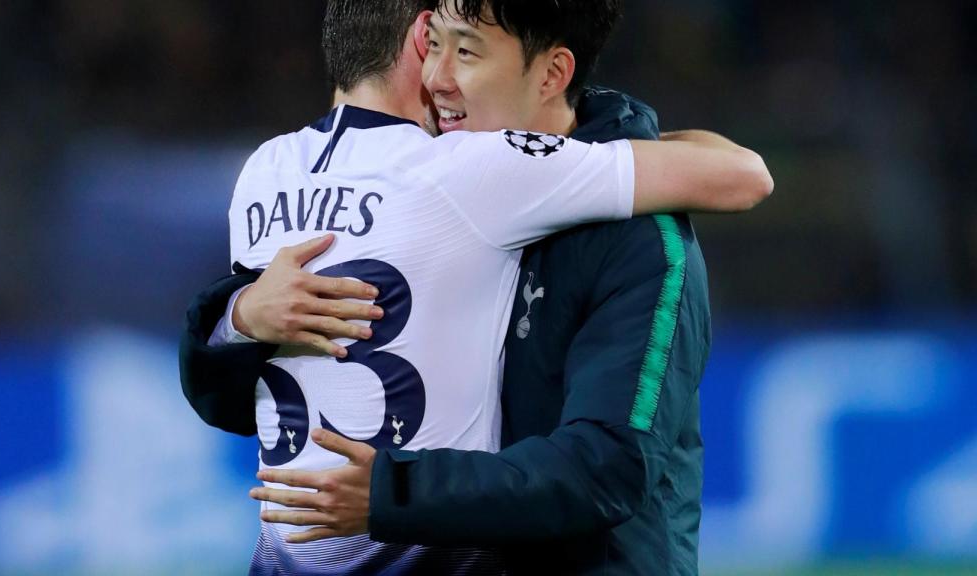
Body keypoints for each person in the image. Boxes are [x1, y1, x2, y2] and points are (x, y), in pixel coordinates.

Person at [180, 1, 772, 574]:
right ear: (416, 39)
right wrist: (241, 316)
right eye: (437, 46)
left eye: (464, 51)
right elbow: (740, 171)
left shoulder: (267, 168)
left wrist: (238, 317)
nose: (440, 77)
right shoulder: (467, 170)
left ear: (552, 73)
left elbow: (607, 467)